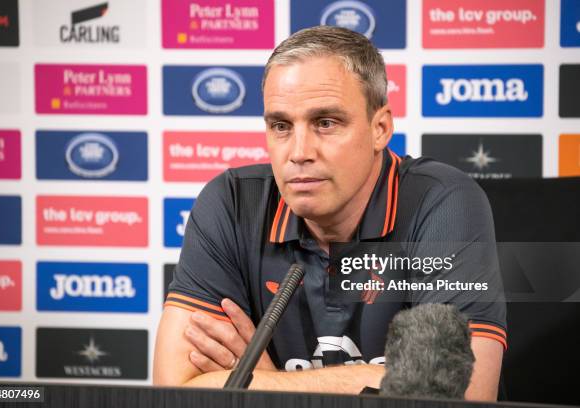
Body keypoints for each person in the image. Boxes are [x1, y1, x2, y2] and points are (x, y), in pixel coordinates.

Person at [153, 26, 506, 400]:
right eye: (281, 126)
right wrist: (378, 381)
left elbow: (455, 397)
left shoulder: (444, 202)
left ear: (380, 128)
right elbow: (176, 392)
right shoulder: (231, 202)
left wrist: (263, 386)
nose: (299, 152)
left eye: (325, 123)